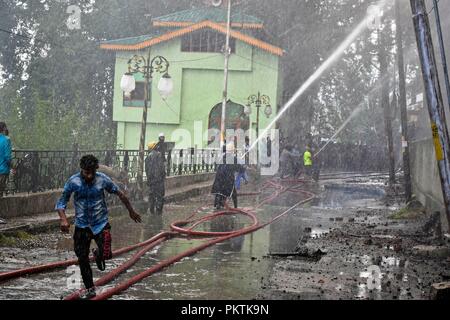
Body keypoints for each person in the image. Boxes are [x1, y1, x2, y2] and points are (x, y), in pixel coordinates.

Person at [56, 155, 141, 299]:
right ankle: (90, 289)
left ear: (96, 170)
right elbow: (61, 203)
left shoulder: (103, 179)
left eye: (91, 172)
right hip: (82, 225)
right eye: (85, 172)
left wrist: (131, 211)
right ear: (81, 169)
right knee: (82, 258)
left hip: (100, 223)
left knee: (107, 253)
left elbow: (121, 194)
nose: (88, 175)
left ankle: (98, 254)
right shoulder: (73, 181)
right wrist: (63, 220)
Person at [211, 143, 245, 209]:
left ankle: (217, 205)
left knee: (219, 192)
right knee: (233, 192)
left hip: (219, 178)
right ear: (233, 151)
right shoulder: (233, 158)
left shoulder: (223, 157)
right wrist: (243, 167)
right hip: (227, 178)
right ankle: (236, 207)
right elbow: (239, 169)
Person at [145, 142, 166, 215]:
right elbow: (162, 168)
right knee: (160, 196)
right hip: (159, 180)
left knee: (151, 196)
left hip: (151, 180)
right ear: (154, 147)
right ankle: (158, 213)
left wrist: (149, 179)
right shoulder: (159, 155)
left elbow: (147, 170)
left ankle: (151, 211)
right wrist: (163, 176)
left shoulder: (147, 157)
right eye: (156, 145)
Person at [0, 122, 11, 224]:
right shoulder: (6, 140)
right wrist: (12, 167)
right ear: (3, 128)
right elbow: (7, 157)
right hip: (2, 170)